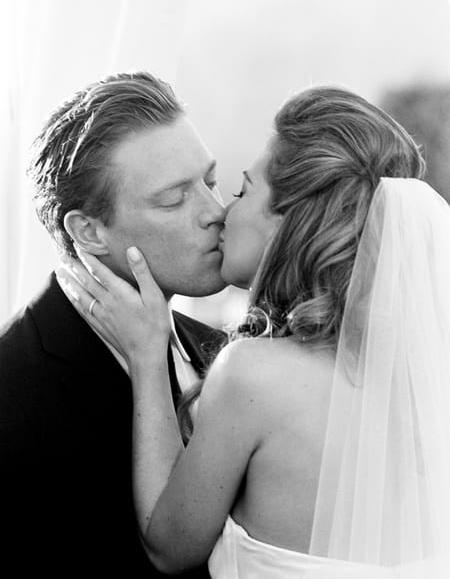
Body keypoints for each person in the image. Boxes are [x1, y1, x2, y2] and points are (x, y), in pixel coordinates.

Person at [59, 86, 450, 578]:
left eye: (240, 190)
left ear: (288, 223)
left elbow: (168, 546)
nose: (222, 211)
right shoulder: (425, 378)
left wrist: (146, 354)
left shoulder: (253, 375)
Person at [0, 71, 226, 577]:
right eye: (174, 199)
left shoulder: (221, 350)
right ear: (89, 231)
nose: (216, 213)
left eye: (210, 182)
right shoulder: (11, 393)